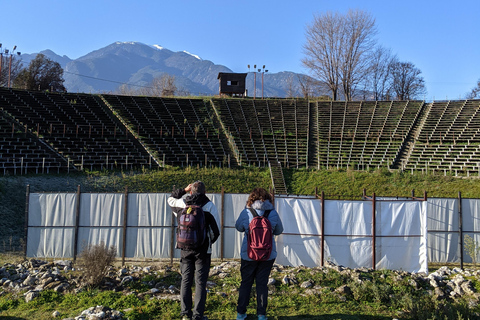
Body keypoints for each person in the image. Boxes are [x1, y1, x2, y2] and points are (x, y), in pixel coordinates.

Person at [168, 181, 220, 320]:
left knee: (185, 280)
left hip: (185, 249)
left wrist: (183, 190)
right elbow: (216, 231)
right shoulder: (209, 206)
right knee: (200, 283)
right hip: (203, 251)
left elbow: (170, 199)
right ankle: (197, 315)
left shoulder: (182, 204)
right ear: (204, 192)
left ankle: (185, 314)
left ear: (191, 191)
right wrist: (207, 243)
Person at [235, 188, 283, 320]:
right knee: (262, 284)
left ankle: (241, 313)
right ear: (268, 199)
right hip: (267, 255)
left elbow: (238, 227)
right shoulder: (273, 213)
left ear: (251, 199)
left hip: (249, 254)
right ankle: (261, 314)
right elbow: (279, 230)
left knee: (246, 283)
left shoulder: (246, 212)